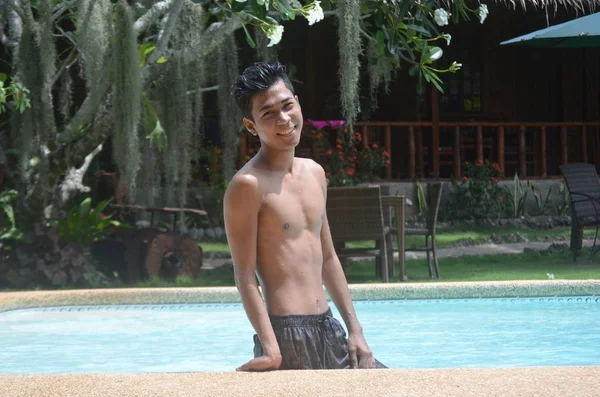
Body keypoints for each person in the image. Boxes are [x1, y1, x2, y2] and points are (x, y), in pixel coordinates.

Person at [224, 62, 385, 371]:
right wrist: (271, 348)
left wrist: (355, 330)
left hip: (329, 327)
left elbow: (327, 257)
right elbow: (244, 275)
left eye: (287, 105)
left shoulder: (315, 172)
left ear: (297, 102)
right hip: (288, 335)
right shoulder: (248, 185)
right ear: (251, 125)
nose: (283, 119)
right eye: (268, 113)